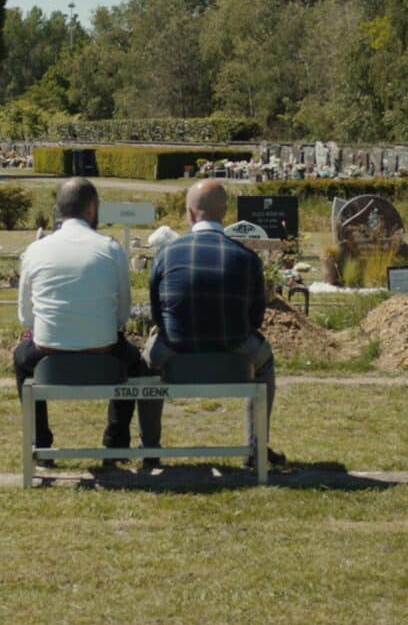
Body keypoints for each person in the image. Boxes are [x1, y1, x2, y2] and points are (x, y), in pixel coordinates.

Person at [147, 178, 286, 470]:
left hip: (175, 347)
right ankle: (255, 447)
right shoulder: (247, 258)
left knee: (144, 367)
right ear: (225, 213)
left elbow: (157, 314)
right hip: (234, 347)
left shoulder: (166, 255)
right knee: (265, 362)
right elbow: (255, 318)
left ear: (189, 213)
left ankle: (150, 447)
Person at [14, 178, 157, 457]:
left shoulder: (36, 250)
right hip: (103, 352)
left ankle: (40, 440)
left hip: (47, 352)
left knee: (21, 359)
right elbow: (122, 314)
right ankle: (116, 442)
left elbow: (25, 317)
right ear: (92, 208)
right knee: (135, 366)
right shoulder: (111, 249)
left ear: (58, 210)